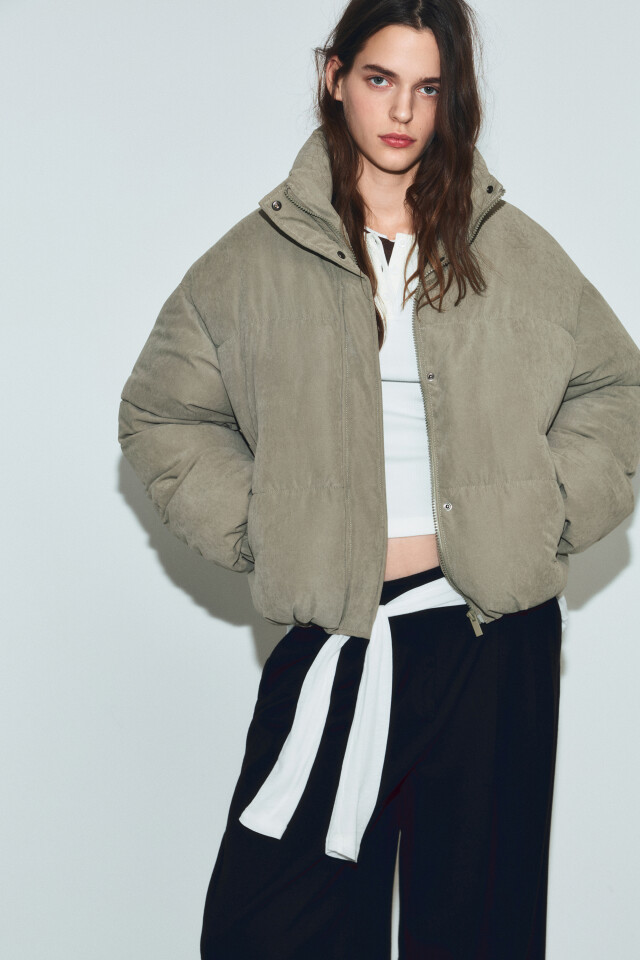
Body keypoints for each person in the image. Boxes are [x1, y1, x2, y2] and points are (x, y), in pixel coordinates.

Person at [117, 1, 640, 957]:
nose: (402, 111)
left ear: (452, 98)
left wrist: (544, 512)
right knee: (270, 928)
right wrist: (267, 528)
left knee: (478, 933)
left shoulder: (510, 250)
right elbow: (160, 414)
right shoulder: (255, 261)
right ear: (334, 76)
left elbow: (615, 388)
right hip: (342, 638)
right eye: (379, 79)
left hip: (492, 638)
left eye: (428, 87)